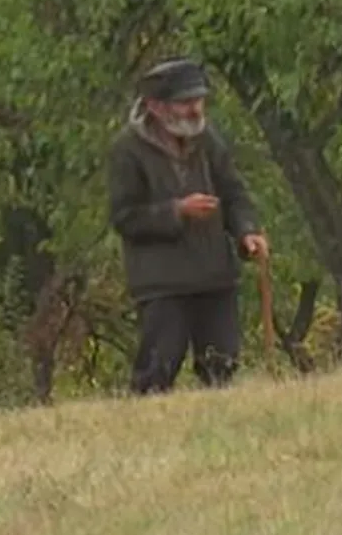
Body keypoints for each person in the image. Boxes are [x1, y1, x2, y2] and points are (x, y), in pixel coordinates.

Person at [106, 56, 269, 395]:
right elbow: (124, 217)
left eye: (199, 99)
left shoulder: (207, 139)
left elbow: (233, 192)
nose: (195, 109)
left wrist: (247, 232)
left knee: (222, 367)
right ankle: (144, 424)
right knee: (157, 371)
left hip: (214, 274)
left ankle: (222, 426)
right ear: (155, 106)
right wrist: (177, 211)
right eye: (184, 102)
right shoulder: (127, 150)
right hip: (162, 282)